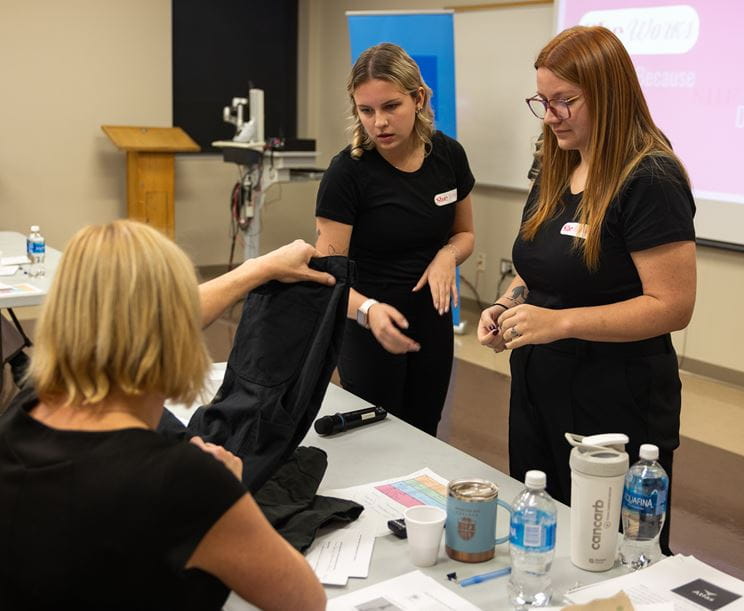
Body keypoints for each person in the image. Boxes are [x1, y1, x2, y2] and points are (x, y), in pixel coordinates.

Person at [0, 220, 329, 610]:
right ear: (176, 333)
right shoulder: (185, 481)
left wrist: (259, 269)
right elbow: (304, 600)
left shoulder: (22, 413)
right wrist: (229, 493)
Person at [478, 26, 696, 554]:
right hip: (539, 388)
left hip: (614, 400)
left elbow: (673, 305)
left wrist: (561, 322)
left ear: (610, 95)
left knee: (608, 551)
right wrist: (510, 302)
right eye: (543, 101)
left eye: (565, 102)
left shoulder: (650, 179)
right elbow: (542, 266)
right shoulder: (557, 162)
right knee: (542, 535)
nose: (550, 116)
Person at [315, 42, 475, 436]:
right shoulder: (347, 174)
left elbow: (465, 234)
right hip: (370, 326)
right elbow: (326, 274)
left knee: (425, 433)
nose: (378, 123)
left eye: (390, 107)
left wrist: (447, 257)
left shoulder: (449, 156)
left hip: (432, 324)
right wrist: (369, 311)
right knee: (375, 439)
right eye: (366, 110)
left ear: (418, 98)